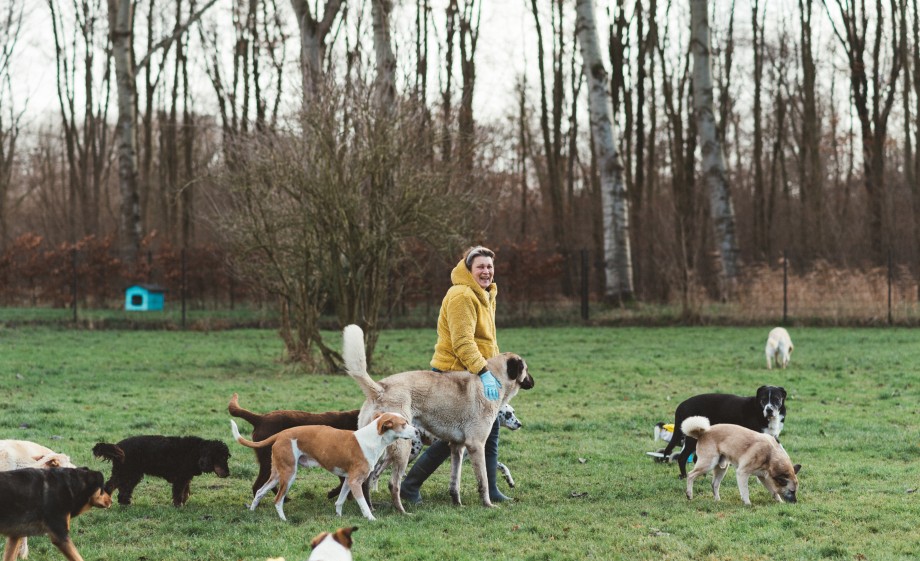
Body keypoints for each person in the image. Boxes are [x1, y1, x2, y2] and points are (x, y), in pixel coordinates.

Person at [400, 245, 511, 504]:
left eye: (490, 267)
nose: (486, 271)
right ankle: (409, 486)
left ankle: (491, 489)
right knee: (452, 436)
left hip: (477, 374)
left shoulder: (486, 294)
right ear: (468, 269)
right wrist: (484, 372)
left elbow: (486, 341)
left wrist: (491, 372)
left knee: (490, 430)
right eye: (481, 267)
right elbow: (463, 343)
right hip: (454, 375)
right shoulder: (462, 295)